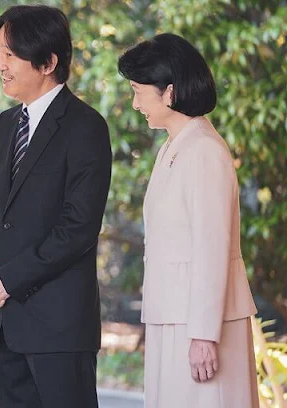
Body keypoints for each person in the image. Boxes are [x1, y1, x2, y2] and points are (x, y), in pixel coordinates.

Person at [0, 5, 112, 407]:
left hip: (60, 328)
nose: (0, 65)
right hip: (8, 326)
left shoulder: (86, 126)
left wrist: (7, 281)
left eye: (10, 55)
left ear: (48, 61)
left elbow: (78, 228)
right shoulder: (5, 125)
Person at [118, 33, 259, 408]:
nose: (135, 103)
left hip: (199, 325)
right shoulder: (174, 147)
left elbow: (213, 248)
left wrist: (203, 335)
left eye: (138, 91)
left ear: (169, 91)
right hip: (173, 316)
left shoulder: (204, 150)